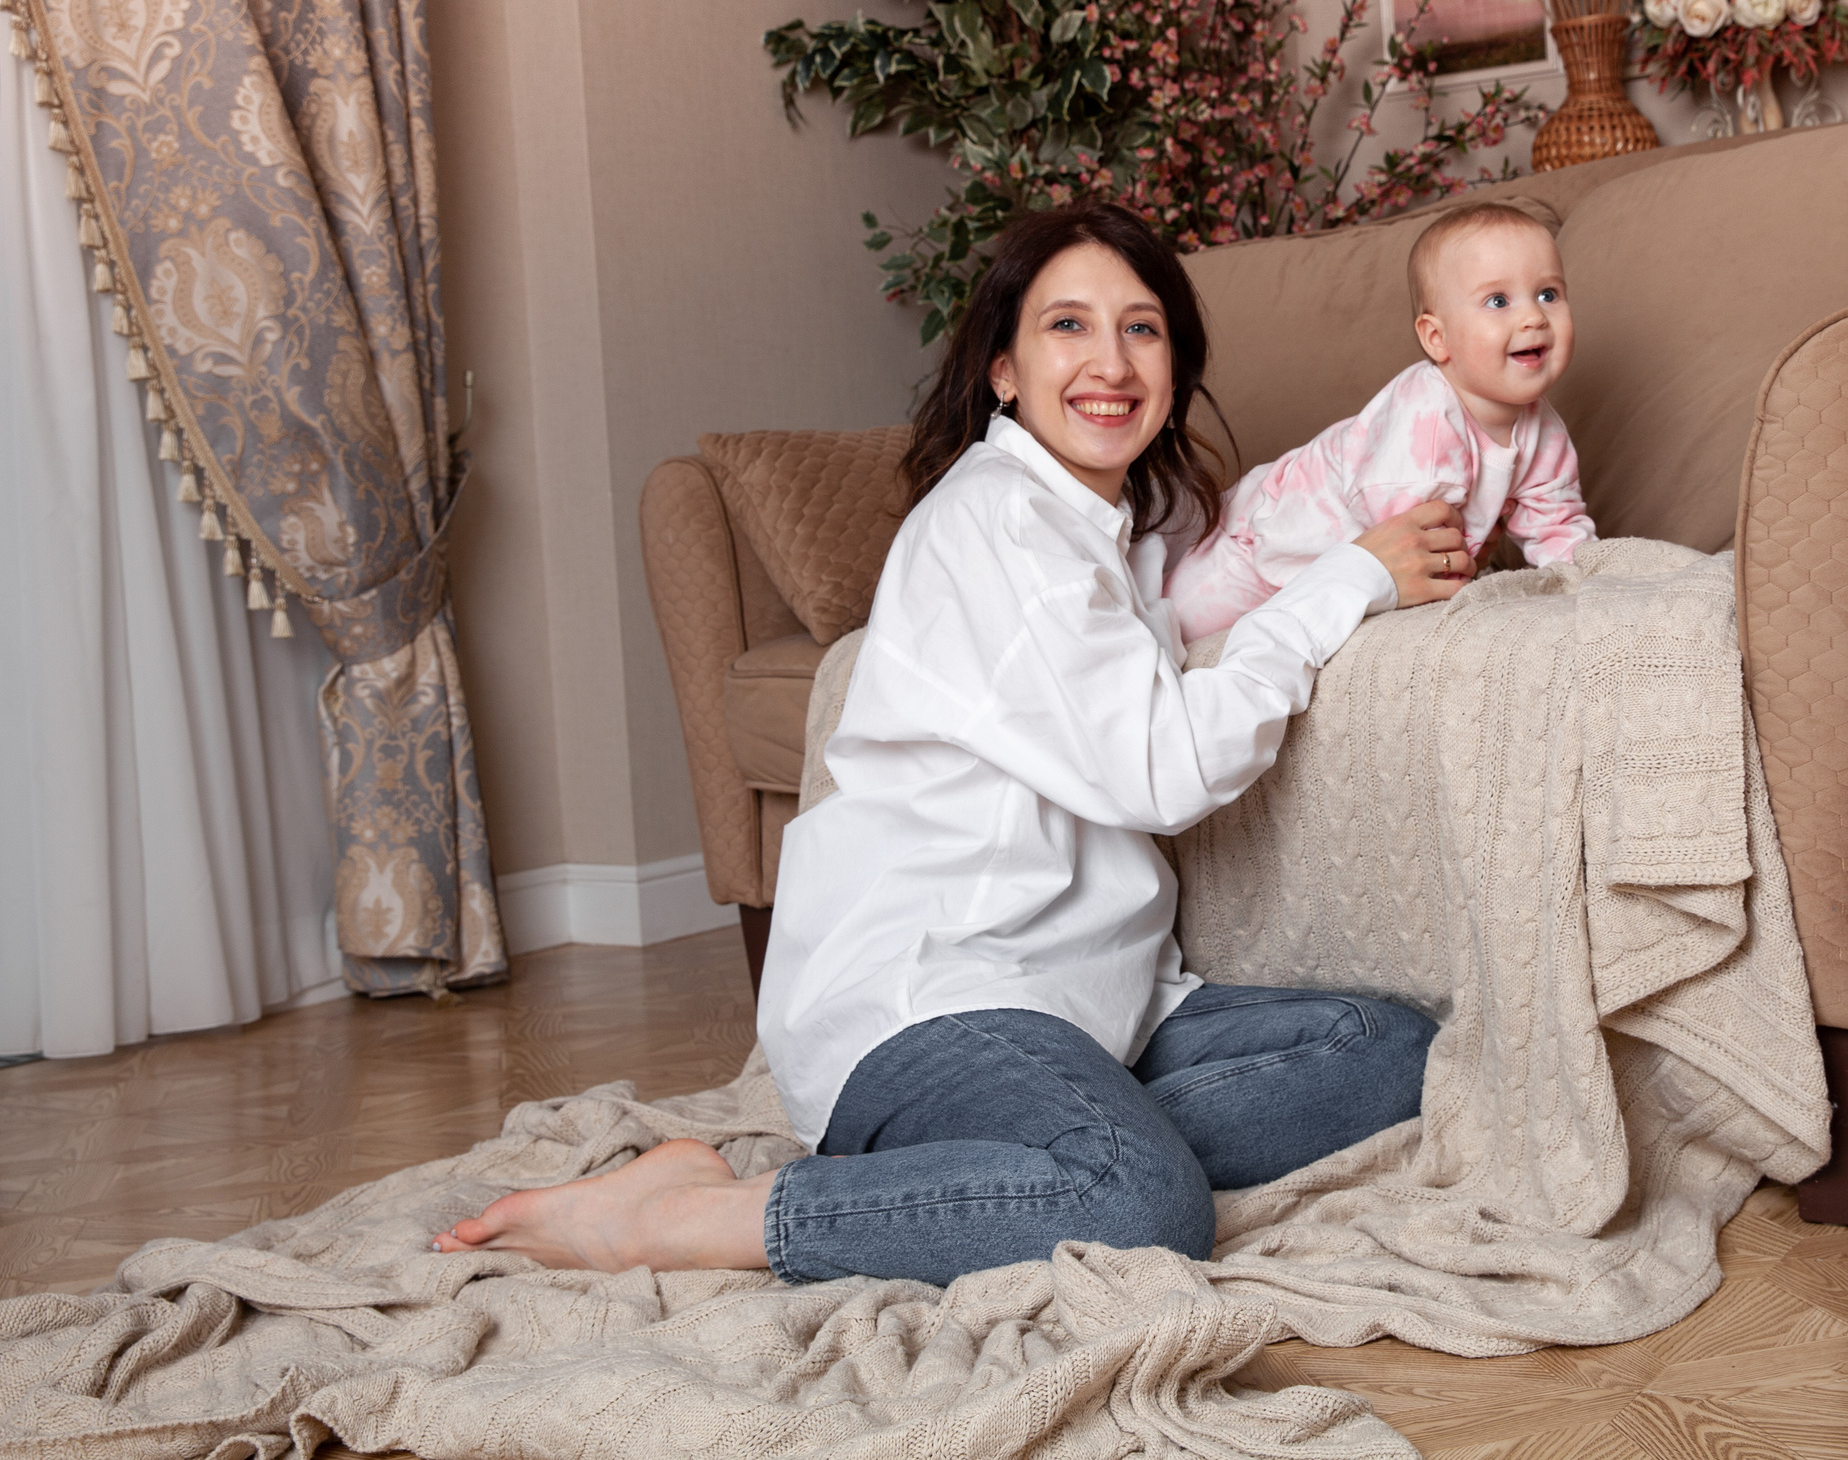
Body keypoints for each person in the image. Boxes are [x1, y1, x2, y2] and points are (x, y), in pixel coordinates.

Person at [431, 202, 1472, 1282]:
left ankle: (1000, 1168)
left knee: (1384, 1054)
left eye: (1143, 329)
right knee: (1141, 1204)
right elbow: (1165, 768)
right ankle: (689, 1218)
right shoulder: (1001, 523)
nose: (1109, 361)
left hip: (1092, 1001)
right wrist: (1348, 581)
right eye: (1067, 325)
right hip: (933, 995)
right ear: (1003, 370)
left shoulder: (1108, 536)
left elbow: (1247, 552)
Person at [1165, 200, 1596, 643]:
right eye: (1498, 301)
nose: (1533, 317)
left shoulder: (1543, 431)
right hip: (1262, 546)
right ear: (1437, 337)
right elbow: (1407, 552)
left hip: (1343, 573)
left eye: (1549, 294)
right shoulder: (1426, 417)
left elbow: (1560, 528)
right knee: (1177, 626)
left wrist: (1594, 584)